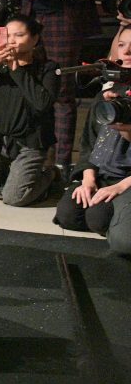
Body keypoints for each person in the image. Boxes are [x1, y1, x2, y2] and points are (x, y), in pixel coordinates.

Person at [9, 0, 112, 181]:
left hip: (63, 20)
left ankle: (62, 163)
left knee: (62, 92)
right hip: (31, 19)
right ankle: (29, 155)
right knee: (27, 86)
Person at [0, 15, 58, 206]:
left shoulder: (48, 68)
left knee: (14, 199)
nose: (12, 40)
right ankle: (9, 184)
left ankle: (50, 176)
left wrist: (17, 70)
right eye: (8, 35)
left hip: (30, 142)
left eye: (19, 35)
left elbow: (43, 104)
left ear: (35, 39)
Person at [54, 27, 131, 254]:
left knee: (101, 221)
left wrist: (121, 186)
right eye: (122, 45)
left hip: (126, 179)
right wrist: (88, 177)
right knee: (68, 214)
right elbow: (88, 141)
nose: (127, 52)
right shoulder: (108, 91)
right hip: (103, 174)